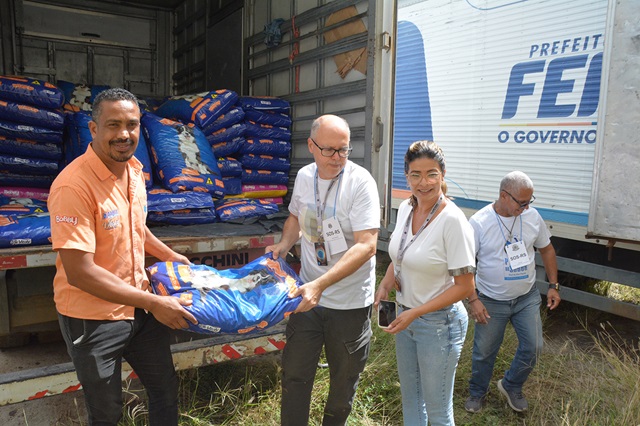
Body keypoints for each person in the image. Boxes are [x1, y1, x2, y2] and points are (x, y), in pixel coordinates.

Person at [48, 88, 198, 426]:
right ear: (93, 129)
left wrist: (171, 255)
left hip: (139, 309)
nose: (124, 134)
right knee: (107, 413)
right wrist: (154, 303)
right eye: (113, 125)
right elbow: (80, 273)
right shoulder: (73, 186)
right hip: (93, 318)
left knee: (164, 390)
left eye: (131, 125)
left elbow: (137, 229)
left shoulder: (133, 170)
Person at [266, 114, 380, 425]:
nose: (337, 158)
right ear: (311, 146)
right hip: (307, 297)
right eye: (329, 150)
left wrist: (321, 285)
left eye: (343, 150)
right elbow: (294, 218)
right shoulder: (304, 177)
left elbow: (367, 245)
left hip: (348, 303)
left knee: (343, 386)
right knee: (295, 375)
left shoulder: (361, 183)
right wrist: (284, 245)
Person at [375, 140, 476, 426]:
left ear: (443, 175)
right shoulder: (407, 208)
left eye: (431, 173)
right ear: (406, 177)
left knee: (438, 412)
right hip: (406, 317)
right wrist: (385, 283)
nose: (424, 182)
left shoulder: (453, 221)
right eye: (415, 174)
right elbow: (402, 254)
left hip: (438, 325)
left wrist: (416, 313)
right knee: (411, 401)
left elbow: (465, 286)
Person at [464, 171, 561, 414]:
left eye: (530, 201)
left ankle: (511, 385)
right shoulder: (479, 222)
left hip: (525, 297)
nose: (527, 207)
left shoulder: (532, 217)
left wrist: (553, 285)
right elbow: (465, 265)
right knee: (484, 352)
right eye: (522, 203)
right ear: (504, 196)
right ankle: (477, 393)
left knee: (534, 347)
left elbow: (547, 250)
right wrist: (473, 299)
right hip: (490, 299)